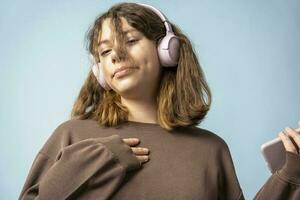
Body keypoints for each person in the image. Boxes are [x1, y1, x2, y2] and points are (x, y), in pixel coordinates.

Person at [19, 2, 300, 200]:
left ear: (167, 50)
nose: (116, 55)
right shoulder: (71, 135)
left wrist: (290, 173)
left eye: (130, 40)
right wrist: (90, 163)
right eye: (105, 52)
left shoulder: (210, 149)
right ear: (100, 71)